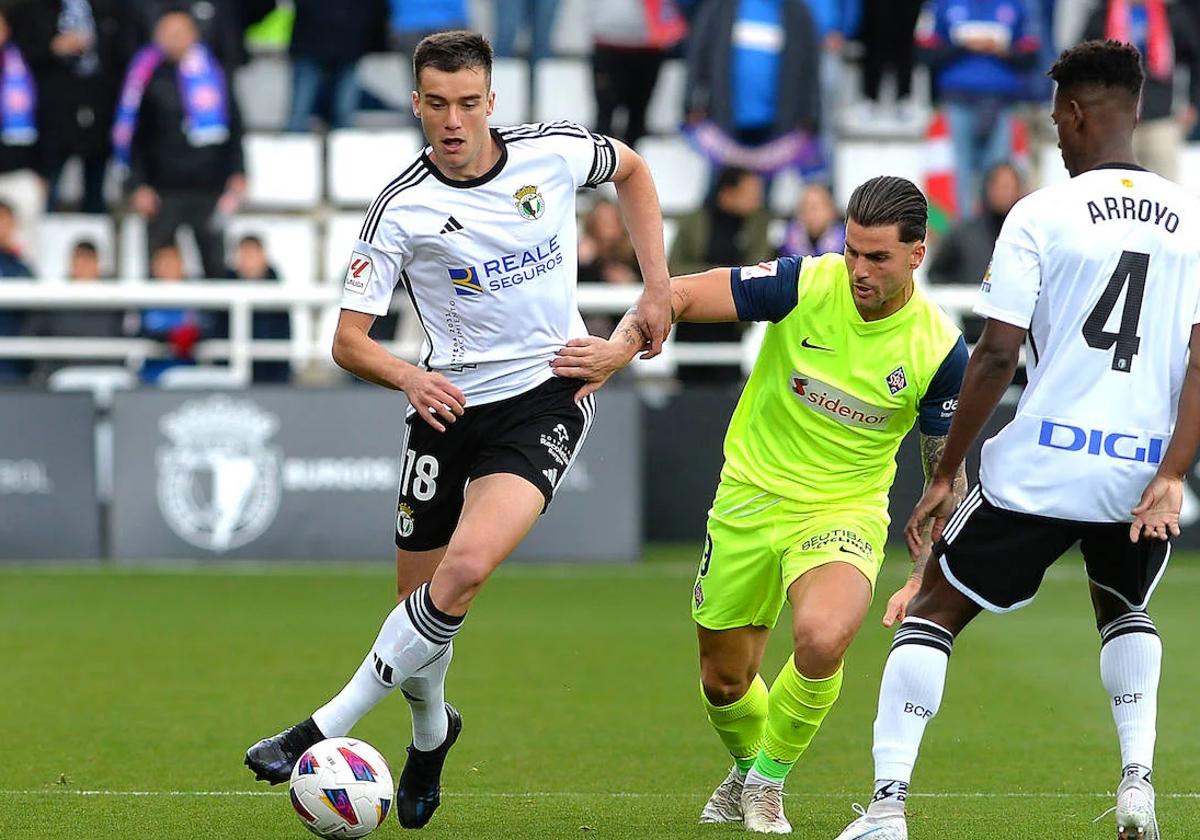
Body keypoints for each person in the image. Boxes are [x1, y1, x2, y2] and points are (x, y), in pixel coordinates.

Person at [244, 30, 671, 831]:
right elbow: (347, 341)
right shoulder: (399, 206)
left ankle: (322, 727)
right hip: (444, 409)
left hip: (550, 392)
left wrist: (656, 288)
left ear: (491, 103)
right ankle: (431, 733)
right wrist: (408, 375)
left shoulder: (552, 154)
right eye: (437, 103)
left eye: (468, 103)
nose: (453, 119)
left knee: (467, 568)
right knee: (421, 610)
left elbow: (637, 170)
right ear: (416, 104)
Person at [833, 40, 1200, 840]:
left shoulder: (1041, 212)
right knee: (1124, 607)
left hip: (1043, 463)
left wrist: (949, 466)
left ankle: (888, 807)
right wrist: (1174, 471)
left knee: (931, 611)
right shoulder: (1194, 217)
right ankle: (1138, 782)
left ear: (1072, 114)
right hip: (1138, 469)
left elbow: (998, 353)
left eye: (1056, 124)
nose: (1057, 140)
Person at [552, 175, 968, 834]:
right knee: (723, 680)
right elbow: (681, 293)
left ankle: (768, 783)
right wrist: (618, 351)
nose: (858, 270)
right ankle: (748, 766)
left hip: (844, 509)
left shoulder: (940, 348)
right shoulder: (803, 283)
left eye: (878, 257)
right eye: (853, 251)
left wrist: (927, 572)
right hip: (749, 493)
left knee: (824, 637)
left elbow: (946, 474)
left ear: (917, 254)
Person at [115, 6, 246, 281]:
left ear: (193, 34)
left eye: (180, 31)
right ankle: (155, 325)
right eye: (167, 32)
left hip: (209, 189)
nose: (174, 38)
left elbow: (234, 128)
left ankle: (217, 326)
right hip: (164, 191)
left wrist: (238, 172)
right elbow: (135, 137)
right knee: (158, 267)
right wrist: (138, 185)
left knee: (215, 268)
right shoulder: (145, 77)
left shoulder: (216, 74)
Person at [916, 0, 1041, 218]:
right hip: (958, 100)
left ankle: (995, 233)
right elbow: (925, 52)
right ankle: (966, 237)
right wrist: (963, 46)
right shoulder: (942, 4)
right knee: (959, 172)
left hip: (1002, 103)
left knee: (999, 172)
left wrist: (1003, 51)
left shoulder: (1016, 5)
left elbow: (1030, 55)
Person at [11, 0, 123, 214]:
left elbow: (119, 55)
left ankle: (93, 244)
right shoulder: (34, 9)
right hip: (52, 112)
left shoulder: (107, 8)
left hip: (98, 108)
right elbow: (20, 52)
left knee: (96, 188)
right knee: (48, 186)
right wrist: (53, 47)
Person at [1082, 0, 1200, 182]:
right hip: (1115, 123)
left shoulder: (1172, 15)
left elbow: (1195, 60)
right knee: (1115, 186)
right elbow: (1082, 61)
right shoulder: (1102, 15)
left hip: (1161, 120)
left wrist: (1193, 103)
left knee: (1164, 190)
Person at [779, 182, 846, 258]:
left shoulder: (847, 243)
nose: (811, 213)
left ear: (831, 210)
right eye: (805, 207)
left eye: (816, 207)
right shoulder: (786, 244)